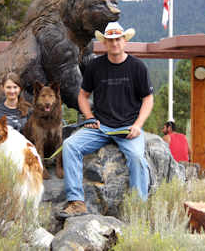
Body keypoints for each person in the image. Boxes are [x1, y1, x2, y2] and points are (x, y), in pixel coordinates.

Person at [55, 22, 154, 221]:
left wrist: (138, 124)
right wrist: (89, 118)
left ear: (125, 41)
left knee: (137, 158)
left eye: (118, 39)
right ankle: (76, 201)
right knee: (70, 145)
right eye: (110, 40)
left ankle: (138, 210)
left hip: (128, 128)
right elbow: (82, 96)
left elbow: (148, 99)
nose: (115, 43)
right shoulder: (95, 66)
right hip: (100, 127)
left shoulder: (137, 66)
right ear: (105, 43)